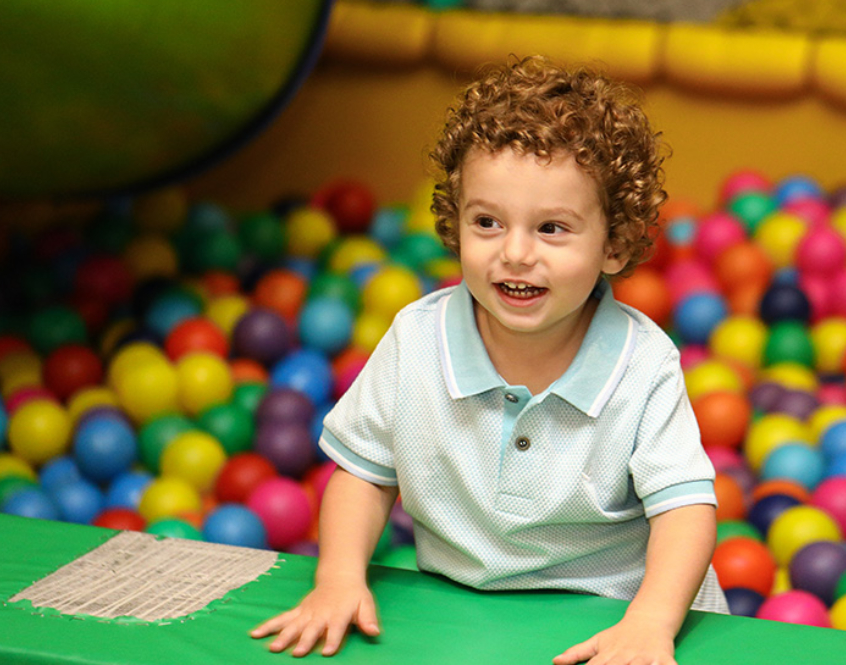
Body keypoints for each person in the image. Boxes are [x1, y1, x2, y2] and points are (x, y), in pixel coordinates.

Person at [251, 56, 728, 665]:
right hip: (465, 620)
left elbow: (685, 509)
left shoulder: (642, 363)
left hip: (615, 617)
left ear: (614, 245)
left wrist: (652, 622)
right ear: (455, 224)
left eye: (552, 228)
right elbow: (363, 474)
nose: (515, 253)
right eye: (487, 222)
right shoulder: (417, 340)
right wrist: (340, 578)